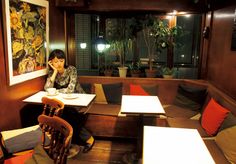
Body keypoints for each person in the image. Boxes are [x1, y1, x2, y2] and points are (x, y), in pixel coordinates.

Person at [44, 49, 95, 153]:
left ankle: (87, 139)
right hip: (65, 103)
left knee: (68, 114)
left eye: (61, 61)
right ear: (51, 62)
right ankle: (67, 142)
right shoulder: (51, 73)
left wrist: (56, 91)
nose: (59, 64)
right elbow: (47, 88)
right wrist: (54, 72)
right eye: (55, 61)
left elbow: (70, 90)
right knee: (61, 114)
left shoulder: (72, 70)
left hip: (80, 101)